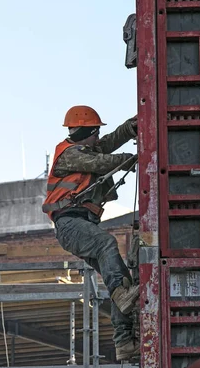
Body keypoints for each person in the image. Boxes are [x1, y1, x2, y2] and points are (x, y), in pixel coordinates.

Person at [42, 105, 140, 361]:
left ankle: (124, 342)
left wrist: (130, 128)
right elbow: (100, 160)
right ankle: (121, 293)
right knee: (107, 244)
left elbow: (106, 144)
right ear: (88, 130)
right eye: (95, 133)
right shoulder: (68, 155)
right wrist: (132, 157)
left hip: (81, 223)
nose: (98, 138)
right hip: (69, 223)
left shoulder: (83, 148)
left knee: (121, 277)